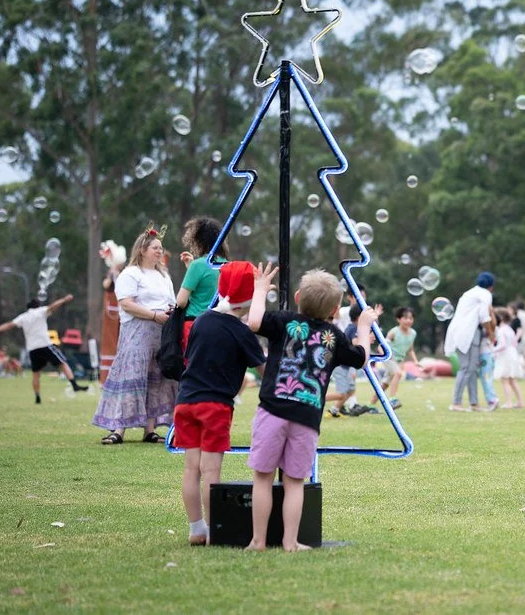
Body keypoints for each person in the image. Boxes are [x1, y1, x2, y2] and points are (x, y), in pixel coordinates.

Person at [245, 263, 377, 551]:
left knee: (263, 478)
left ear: (297, 297)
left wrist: (260, 289)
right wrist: (364, 327)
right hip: (306, 419)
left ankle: (258, 540)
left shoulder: (283, 321)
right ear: (335, 310)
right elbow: (361, 358)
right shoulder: (335, 336)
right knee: (295, 482)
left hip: (272, 411)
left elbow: (253, 322)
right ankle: (290, 542)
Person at [173, 262, 266, 546]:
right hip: (215, 407)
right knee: (211, 472)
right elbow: (265, 370)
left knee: (191, 469)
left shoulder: (201, 320)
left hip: (185, 402)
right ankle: (215, 531)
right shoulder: (242, 332)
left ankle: (196, 529)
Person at [92, 226, 177, 444]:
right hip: (137, 331)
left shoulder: (163, 275)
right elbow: (127, 304)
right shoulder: (131, 274)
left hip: (160, 333)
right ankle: (118, 430)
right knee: (131, 377)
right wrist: (154, 315)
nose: (159, 251)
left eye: (160, 248)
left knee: (155, 378)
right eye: (155, 248)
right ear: (142, 250)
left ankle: (150, 430)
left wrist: (168, 314)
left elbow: (171, 301)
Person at [0, 295, 89, 403]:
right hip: (45, 345)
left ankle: (37, 397)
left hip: (33, 349)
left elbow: (9, 325)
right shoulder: (41, 311)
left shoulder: (23, 317)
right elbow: (52, 306)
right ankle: (74, 385)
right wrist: (64, 300)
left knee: (36, 374)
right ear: (38, 306)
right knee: (63, 363)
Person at [444, 272, 496, 412]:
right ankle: (456, 403)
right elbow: (484, 317)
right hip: (469, 334)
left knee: (472, 369)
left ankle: (474, 403)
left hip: (460, 332)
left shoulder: (470, 293)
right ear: (491, 285)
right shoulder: (485, 294)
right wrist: (491, 335)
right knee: (467, 368)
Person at [176, 217, 229, 354]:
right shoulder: (228, 265)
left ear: (199, 241)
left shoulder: (198, 265)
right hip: (220, 326)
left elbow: (181, 301)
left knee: (193, 364)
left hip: (195, 325)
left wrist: (193, 268)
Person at [372, 307, 418, 412]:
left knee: (385, 384)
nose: (408, 320)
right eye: (405, 318)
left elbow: (410, 349)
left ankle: (370, 405)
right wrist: (385, 355)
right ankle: (392, 399)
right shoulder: (394, 332)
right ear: (398, 319)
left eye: (411, 318)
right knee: (398, 373)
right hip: (389, 357)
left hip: (398, 361)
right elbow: (381, 346)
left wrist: (416, 361)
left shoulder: (413, 333)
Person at [99, 240, 126, 383]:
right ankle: (106, 377)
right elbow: (105, 285)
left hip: (123, 308)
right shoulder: (110, 273)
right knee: (109, 340)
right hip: (111, 308)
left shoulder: (125, 274)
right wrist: (111, 274)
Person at [492, 308, 525, 408]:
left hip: (505, 355)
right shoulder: (509, 329)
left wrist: (493, 349)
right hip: (513, 353)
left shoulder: (501, 330)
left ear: (500, 318)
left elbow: (502, 345)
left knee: (505, 380)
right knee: (512, 380)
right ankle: (520, 402)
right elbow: (515, 343)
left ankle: (509, 403)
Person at [477, 305, 500, 411]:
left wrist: (490, 312)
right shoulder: (488, 329)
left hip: (486, 356)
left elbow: (493, 324)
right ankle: (491, 399)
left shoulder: (490, 329)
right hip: (486, 356)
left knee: (486, 378)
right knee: (485, 378)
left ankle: (492, 400)